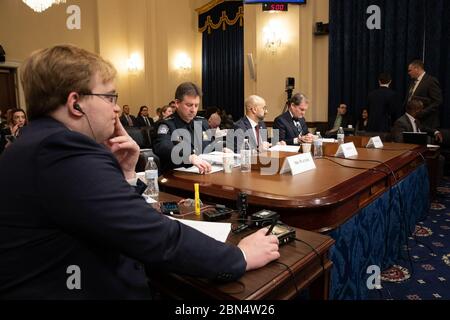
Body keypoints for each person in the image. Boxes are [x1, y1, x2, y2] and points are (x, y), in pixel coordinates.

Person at [0, 45, 280, 299]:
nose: (117, 108)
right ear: (76, 103)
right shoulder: (64, 151)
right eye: (110, 96)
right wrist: (239, 255)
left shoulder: (34, 143)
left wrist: (125, 175)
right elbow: (157, 238)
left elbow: (106, 217)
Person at [154, 82, 222, 174]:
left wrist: (222, 149)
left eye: (196, 105)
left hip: (204, 173)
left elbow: (210, 145)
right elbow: (163, 148)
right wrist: (189, 157)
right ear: (177, 103)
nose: (193, 110)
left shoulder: (202, 123)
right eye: (189, 105)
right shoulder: (166, 125)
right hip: (177, 177)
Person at [405, 60, 443, 128]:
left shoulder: (431, 81)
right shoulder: (413, 82)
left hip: (427, 123)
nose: (409, 73)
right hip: (413, 122)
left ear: (417, 69)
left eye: (410, 70)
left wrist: (422, 113)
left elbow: (437, 101)